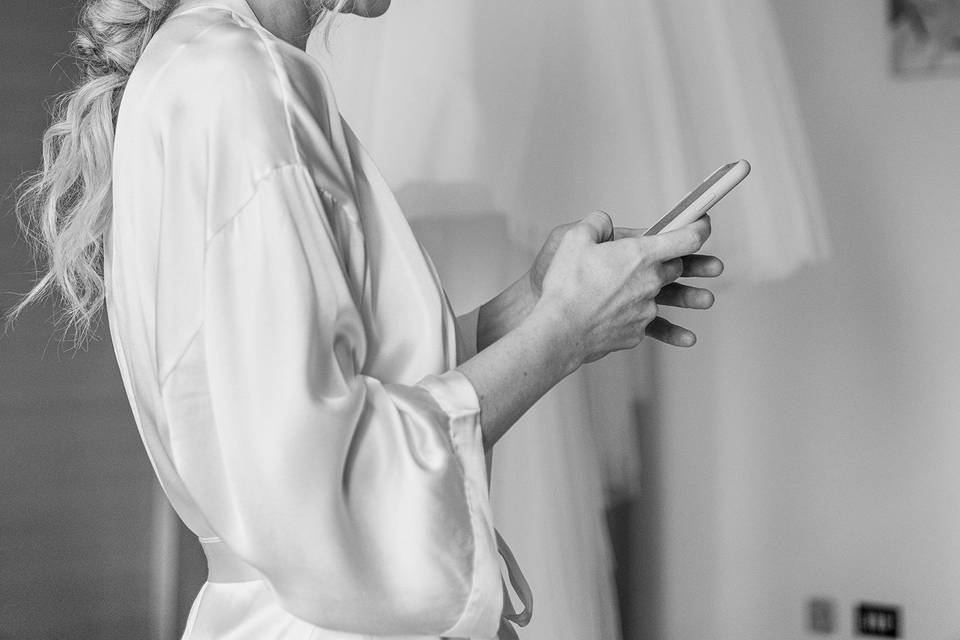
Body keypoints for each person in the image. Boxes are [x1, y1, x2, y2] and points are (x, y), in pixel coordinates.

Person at [10, 0, 722, 637]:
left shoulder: (209, 65)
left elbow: (331, 394)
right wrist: (561, 334)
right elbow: (322, 480)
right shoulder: (238, 83)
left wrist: (538, 303)